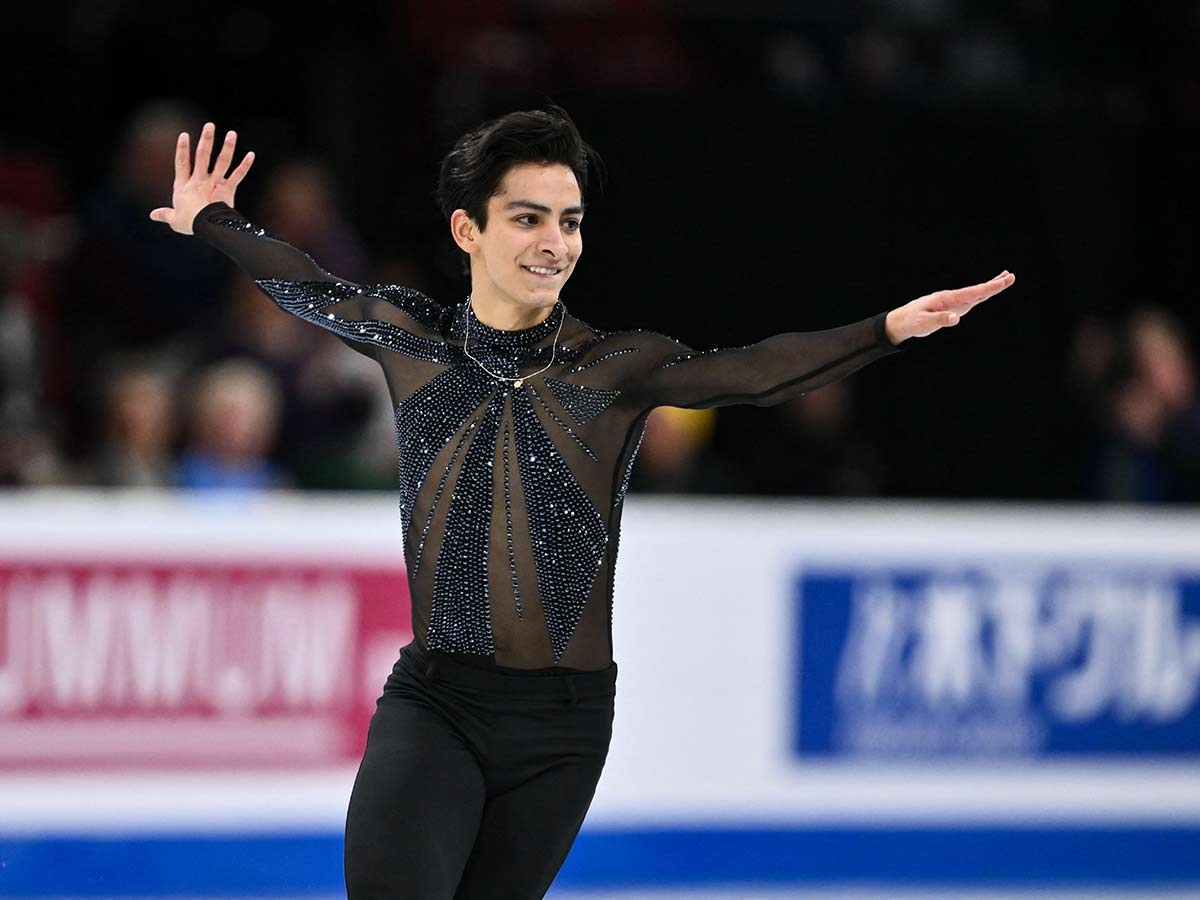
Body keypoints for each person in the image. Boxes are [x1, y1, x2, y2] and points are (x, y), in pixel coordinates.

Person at [148, 109, 1015, 899]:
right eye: (528, 218)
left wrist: (887, 330)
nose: (555, 242)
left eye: (570, 222)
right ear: (469, 230)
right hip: (436, 704)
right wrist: (211, 219)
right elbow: (304, 283)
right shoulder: (414, 343)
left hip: (562, 731)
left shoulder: (615, 370)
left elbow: (752, 373)